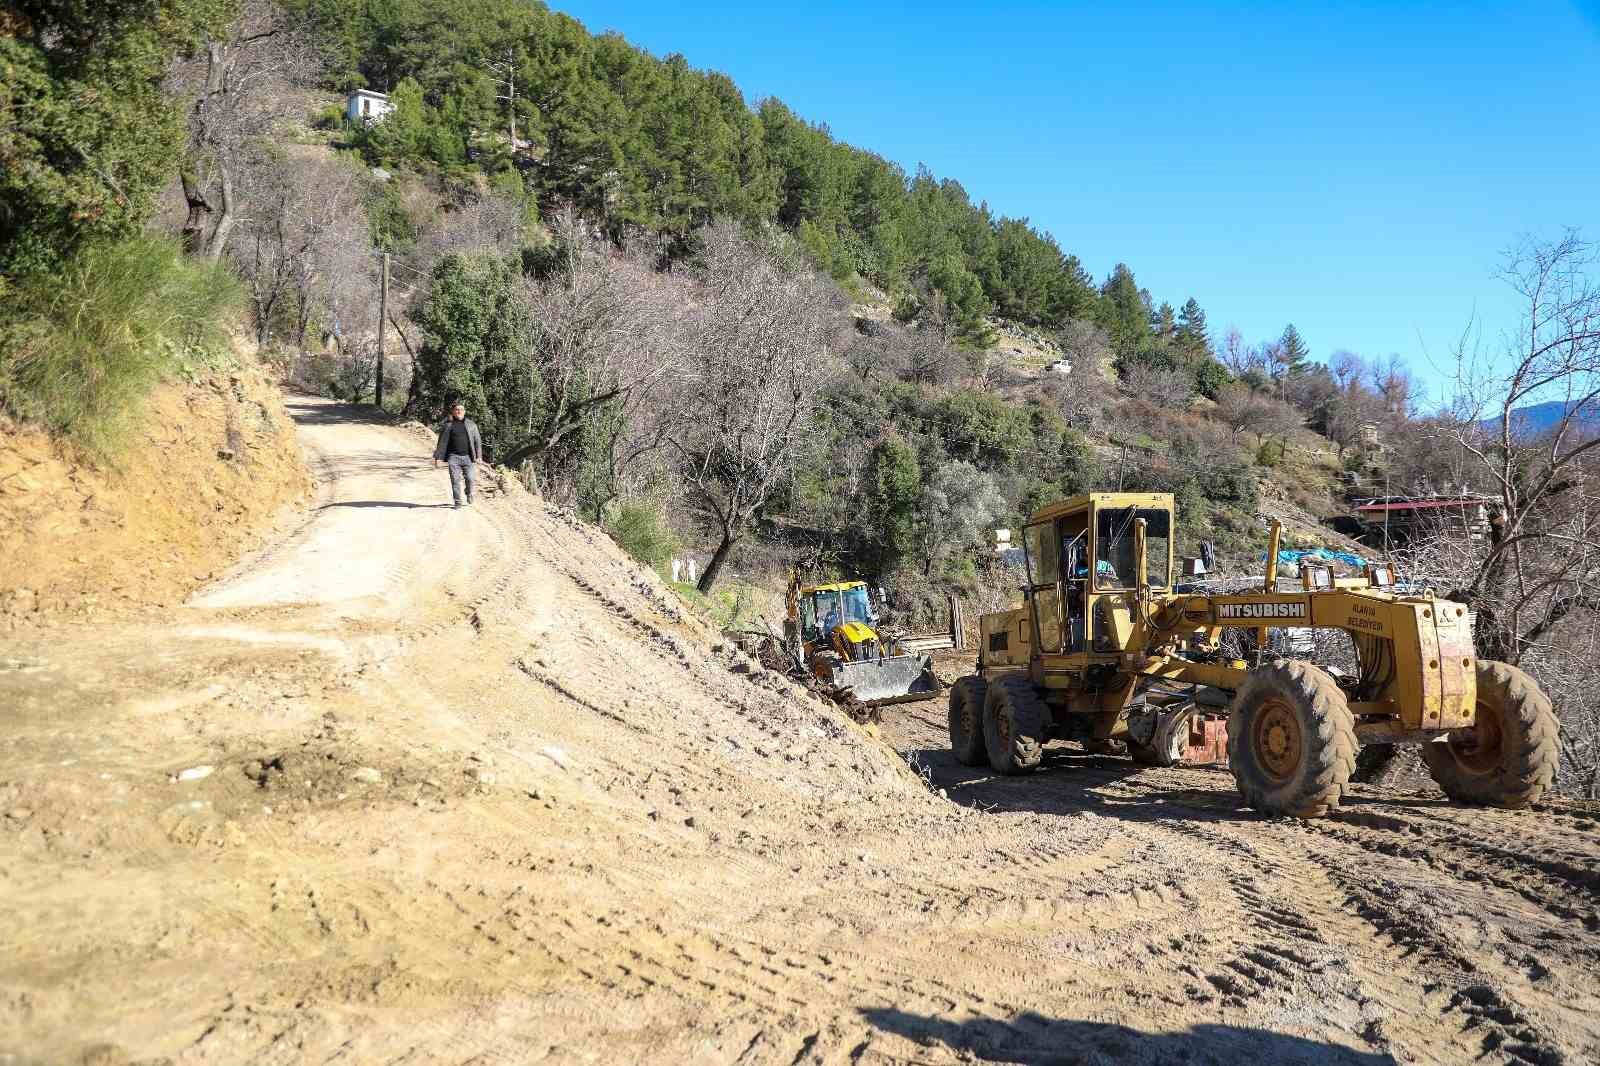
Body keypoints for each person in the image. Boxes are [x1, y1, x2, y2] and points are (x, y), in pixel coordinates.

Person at [432, 401, 483, 508]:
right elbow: (441, 443)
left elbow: (477, 441)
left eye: (461, 410)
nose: (459, 411)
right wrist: (437, 458)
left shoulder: (471, 425)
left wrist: (479, 456)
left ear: (464, 412)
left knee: (470, 478)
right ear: (453, 412)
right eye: (457, 410)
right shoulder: (447, 426)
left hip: (468, 458)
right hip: (453, 457)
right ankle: (458, 502)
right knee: (455, 480)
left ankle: (469, 493)